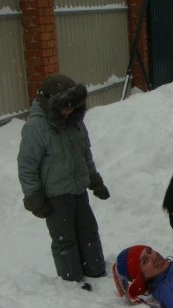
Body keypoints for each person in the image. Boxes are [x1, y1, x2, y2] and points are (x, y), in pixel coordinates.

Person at [17, 74, 110, 288]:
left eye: (73, 106)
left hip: (79, 190)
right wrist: (34, 197)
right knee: (64, 240)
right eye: (65, 107)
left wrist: (94, 180)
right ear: (51, 104)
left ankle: (96, 271)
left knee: (89, 231)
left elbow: (85, 154)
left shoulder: (75, 123)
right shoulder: (36, 128)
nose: (69, 111)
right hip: (56, 196)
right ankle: (72, 282)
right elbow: (27, 166)